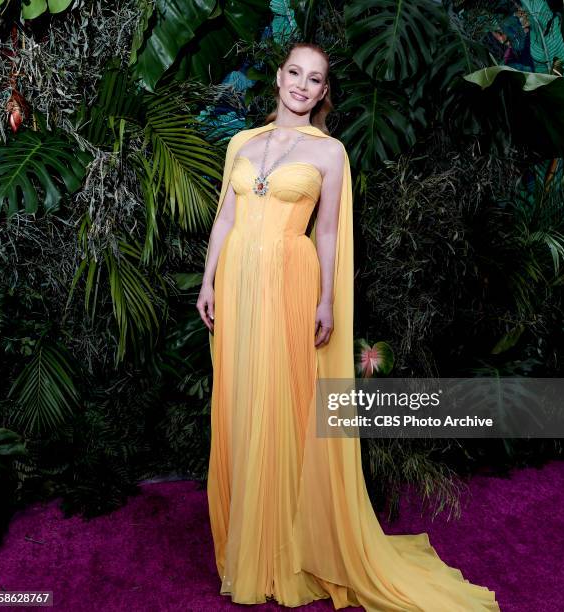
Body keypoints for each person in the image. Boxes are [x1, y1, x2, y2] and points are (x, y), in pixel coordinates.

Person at [197, 42, 501, 611]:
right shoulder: (242, 143)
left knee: (282, 405)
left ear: (322, 91)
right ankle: (249, 540)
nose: (301, 85)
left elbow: (330, 232)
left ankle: (282, 546)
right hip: (237, 285)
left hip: (291, 284)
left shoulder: (331, 152)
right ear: (279, 78)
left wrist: (328, 300)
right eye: (294, 73)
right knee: (242, 403)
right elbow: (226, 218)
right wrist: (209, 280)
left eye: (314, 79)